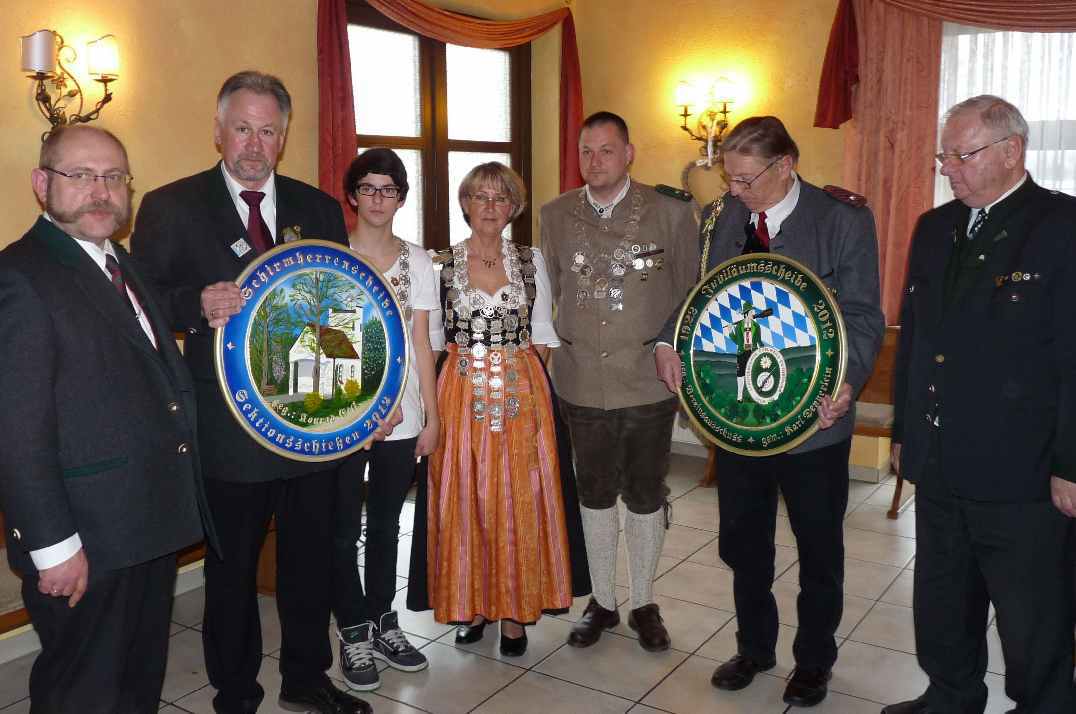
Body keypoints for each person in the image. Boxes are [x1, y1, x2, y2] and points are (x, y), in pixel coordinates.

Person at [131, 71, 370, 714]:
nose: (254, 144)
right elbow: (141, 301)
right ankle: (235, 691)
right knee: (232, 568)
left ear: (283, 137)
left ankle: (307, 677)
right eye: (242, 128)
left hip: (311, 419)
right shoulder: (171, 206)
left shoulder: (318, 208)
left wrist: (359, 401)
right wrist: (195, 303)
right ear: (218, 131)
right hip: (228, 428)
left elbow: (340, 307)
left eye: (267, 131)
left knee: (309, 560)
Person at [655, 116, 884, 707]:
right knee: (744, 544)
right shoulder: (721, 217)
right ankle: (754, 648)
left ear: (786, 165)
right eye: (729, 179)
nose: (735, 191)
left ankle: (813, 661)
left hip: (814, 419)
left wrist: (848, 382)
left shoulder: (842, 220)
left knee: (818, 548)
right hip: (740, 419)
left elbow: (863, 315)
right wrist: (666, 341)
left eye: (746, 180)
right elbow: (698, 296)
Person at [0, 125, 216, 713]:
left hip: (145, 527)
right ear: (42, 183)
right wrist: (52, 548)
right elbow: (16, 433)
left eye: (114, 177)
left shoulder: (119, 262)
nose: (101, 191)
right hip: (85, 540)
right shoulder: (20, 277)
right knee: (82, 694)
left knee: (136, 686)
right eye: (81, 175)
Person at [883, 96, 1076, 714]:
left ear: (1012, 151)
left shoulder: (1061, 227)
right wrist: (903, 431)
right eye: (944, 157)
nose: (948, 169)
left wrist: (1071, 463)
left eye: (961, 156)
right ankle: (951, 695)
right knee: (943, 596)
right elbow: (917, 339)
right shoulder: (934, 228)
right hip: (941, 457)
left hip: (1023, 467)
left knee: (1031, 612)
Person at [541, 111, 699, 653]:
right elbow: (549, 293)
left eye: (606, 150)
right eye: (586, 151)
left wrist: (670, 347)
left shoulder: (671, 213)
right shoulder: (555, 214)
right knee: (594, 491)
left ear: (629, 154)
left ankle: (644, 602)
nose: (595, 161)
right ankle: (603, 601)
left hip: (646, 380)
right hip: (582, 379)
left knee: (645, 492)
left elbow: (691, 293)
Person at [420, 162, 573, 657]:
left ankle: (513, 612)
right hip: (461, 392)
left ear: (514, 207)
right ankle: (474, 605)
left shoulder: (531, 261)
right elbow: (433, 341)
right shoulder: (439, 264)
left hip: (521, 393)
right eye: (480, 196)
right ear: (465, 204)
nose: (490, 206)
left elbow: (542, 336)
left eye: (500, 197)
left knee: (517, 499)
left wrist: (525, 391)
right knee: (468, 499)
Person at [331, 149, 440, 691]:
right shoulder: (332, 253)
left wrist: (433, 416)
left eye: (388, 189)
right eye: (368, 188)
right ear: (352, 196)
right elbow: (325, 337)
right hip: (342, 414)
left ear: (401, 198)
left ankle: (382, 620)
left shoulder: (417, 261)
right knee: (341, 523)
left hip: (405, 412)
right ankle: (352, 627)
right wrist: (358, 404)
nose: (378, 199)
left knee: (387, 522)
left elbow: (423, 342)